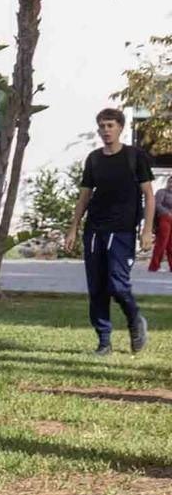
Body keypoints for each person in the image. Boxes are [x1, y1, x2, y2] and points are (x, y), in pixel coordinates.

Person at [64, 107, 155, 355]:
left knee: (118, 285)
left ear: (120, 128)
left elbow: (148, 194)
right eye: (102, 126)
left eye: (110, 126)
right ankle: (104, 342)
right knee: (97, 288)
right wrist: (73, 229)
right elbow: (84, 197)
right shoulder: (93, 159)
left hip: (122, 230)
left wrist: (147, 230)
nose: (106, 130)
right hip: (94, 229)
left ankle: (135, 319)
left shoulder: (135, 157)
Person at [151, 172, 172, 272]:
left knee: (171, 245)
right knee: (161, 243)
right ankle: (154, 266)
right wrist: (167, 213)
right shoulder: (161, 192)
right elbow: (157, 204)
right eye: (170, 182)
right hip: (164, 218)